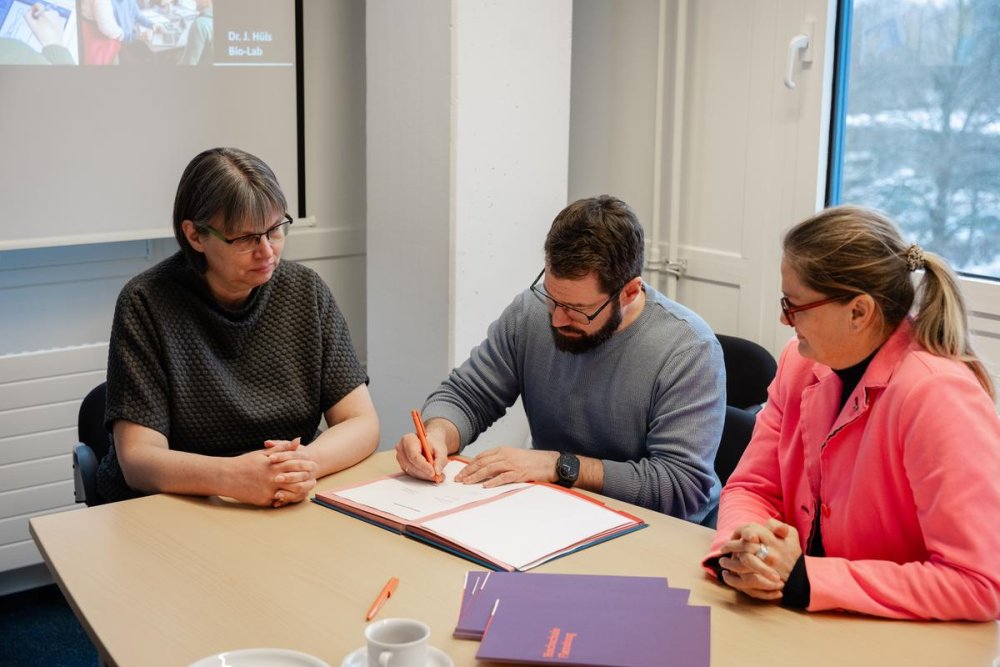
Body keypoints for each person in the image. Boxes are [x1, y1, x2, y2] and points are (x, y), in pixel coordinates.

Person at [703, 205, 1000, 621]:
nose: (783, 318)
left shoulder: (939, 396)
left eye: (794, 305)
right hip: (801, 618)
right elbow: (752, 487)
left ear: (859, 312)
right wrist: (746, 549)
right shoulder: (800, 362)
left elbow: (977, 583)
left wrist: (806, 579)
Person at [394, 195, 726, 523]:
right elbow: (467, 396)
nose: (557, 319)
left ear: (629, 292)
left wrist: (559, 466)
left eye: (577, 311)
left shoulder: (688, 350)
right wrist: (437, 435)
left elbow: (680, 488)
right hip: (554, 513)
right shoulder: (531, 313)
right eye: (552, 299)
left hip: (654, 532)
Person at [96, 147, 379, 506]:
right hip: (180, 504)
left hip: (283, 498)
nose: (267, 252)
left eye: (275, 230)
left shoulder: (305, 291)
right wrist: (232, 477)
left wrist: (304, 464)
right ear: (195, 236)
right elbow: (138, 460)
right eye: (245, 239)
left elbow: (361, 421)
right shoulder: (146, 302)